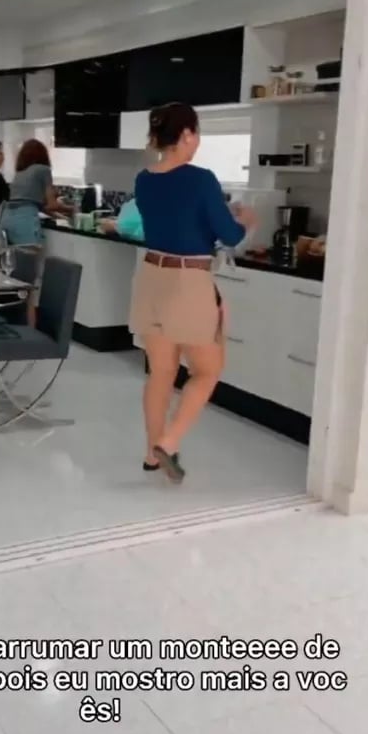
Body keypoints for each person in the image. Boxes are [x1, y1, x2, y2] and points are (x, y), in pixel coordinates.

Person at [130, 102, 257, 483]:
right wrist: (245, 220)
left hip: (151, 276)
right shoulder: (201, 179)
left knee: (161, 372)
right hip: (188, 281)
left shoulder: (144, 179)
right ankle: (168, 443)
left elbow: (175, 223)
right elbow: (228, 236)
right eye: (197, 133)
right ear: (186, 134)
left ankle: (151, 454)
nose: (198, 141)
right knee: (207, 370)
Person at [1, 139, 74, 325]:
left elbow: (40, 205)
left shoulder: (20, 174)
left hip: (7, 218)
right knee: (29, 280)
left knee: (15, 275)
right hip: (25, 220)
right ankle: (30, 328)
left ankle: (13, 322)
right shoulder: (43, 170)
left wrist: (59, 213)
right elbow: (51, 204)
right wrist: (72, 210)